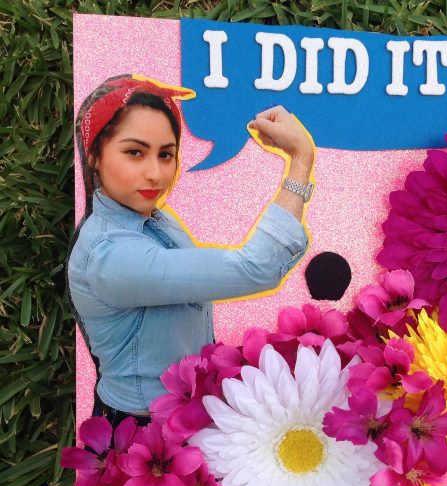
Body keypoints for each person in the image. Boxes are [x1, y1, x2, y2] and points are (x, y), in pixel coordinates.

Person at [68, 75, 315, 428]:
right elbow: (257, 267)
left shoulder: (152, 217)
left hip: (181, 412)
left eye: (166, 154)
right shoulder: (110, 256)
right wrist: (301, 161)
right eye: (134, 152)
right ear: (94, 156)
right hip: (138, 433)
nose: (155, 173)